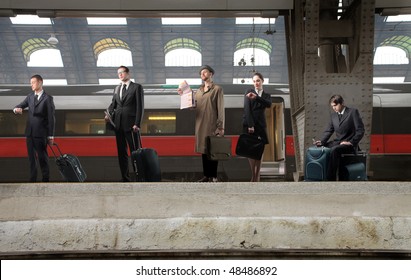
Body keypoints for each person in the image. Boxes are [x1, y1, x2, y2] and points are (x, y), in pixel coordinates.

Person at [178, 65, 225, 182]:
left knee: (213, 150)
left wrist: (221, 126)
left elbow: (221, 108)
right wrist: (184, 96)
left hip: (212, 124)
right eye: (201, 73)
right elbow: (194, 106)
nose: (202, 74)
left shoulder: (217, 89)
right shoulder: (198, 91)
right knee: (204, 150)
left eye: (204, 72)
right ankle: (206, 175)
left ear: (211, 74)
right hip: (200, 124)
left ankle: (213, 175)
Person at [13, 74, 55, 182]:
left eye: (33, 82)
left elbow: (51, 119)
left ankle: (46, 179)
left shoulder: (48, 99)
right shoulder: (30, 97)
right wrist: (16, 109)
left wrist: (50, 136)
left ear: (40, 82)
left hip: (41, 134)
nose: (31, 85)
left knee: (42, 158)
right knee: (32, 159)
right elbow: (18, 106)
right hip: (29, 133)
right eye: (30, 83)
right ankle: (32, 180)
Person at [105, 66, 144, 182]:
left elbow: (140, 107)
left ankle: (139, 177)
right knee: (121, 153)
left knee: (135, 152)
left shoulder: (136, 87)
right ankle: (125, 178)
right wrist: (108, 114)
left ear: (128, 73)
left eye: (122, 72)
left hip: (132, 126)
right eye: (118, 73)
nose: (120, 75)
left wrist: (137, 123)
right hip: (118, 125)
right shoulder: (117, 89)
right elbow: (113, 105)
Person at [314, 94, 365, 181]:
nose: (334, 108)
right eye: (332, 106)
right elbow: (329, 131)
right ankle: (318, 176)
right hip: (337, 142)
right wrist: (322, 142)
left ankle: (330, 179)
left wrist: (351, 142)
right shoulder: (333, 116)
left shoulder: (353, 112)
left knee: (335, 150)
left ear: (342, 103)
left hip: (349, 144)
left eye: (335, 105)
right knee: (319, 148)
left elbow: (360, 130)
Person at [242, 72, 272, 182]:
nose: (256, 83)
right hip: (249, 124)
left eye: (258, 80)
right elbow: (247, 109)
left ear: (262, 81)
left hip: (261, 125)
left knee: (260, 150)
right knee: (250, 150)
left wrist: (257, 98)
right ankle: (253, 174)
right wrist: (250, 125)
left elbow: (268, 104)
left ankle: (257, 174)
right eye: (254, 81)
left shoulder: (266, 95)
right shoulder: (248, 92)